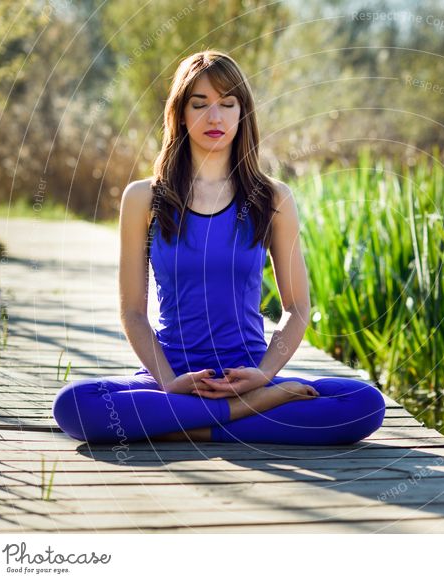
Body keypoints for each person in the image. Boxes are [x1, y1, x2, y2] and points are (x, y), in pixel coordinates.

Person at [51, 51, 385, 445]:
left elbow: (296, 308)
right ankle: (248, 413)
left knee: (364, 403)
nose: (215, 118)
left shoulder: (272, 198)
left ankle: (186, 425)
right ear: (180, 113)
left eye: (228, 104)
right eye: (201, 104)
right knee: (74, 405)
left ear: (243, 113)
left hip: (248, 376)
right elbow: (133, 312)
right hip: (170, 380)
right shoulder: (144, 198)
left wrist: (263, 376)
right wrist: (171, 382)